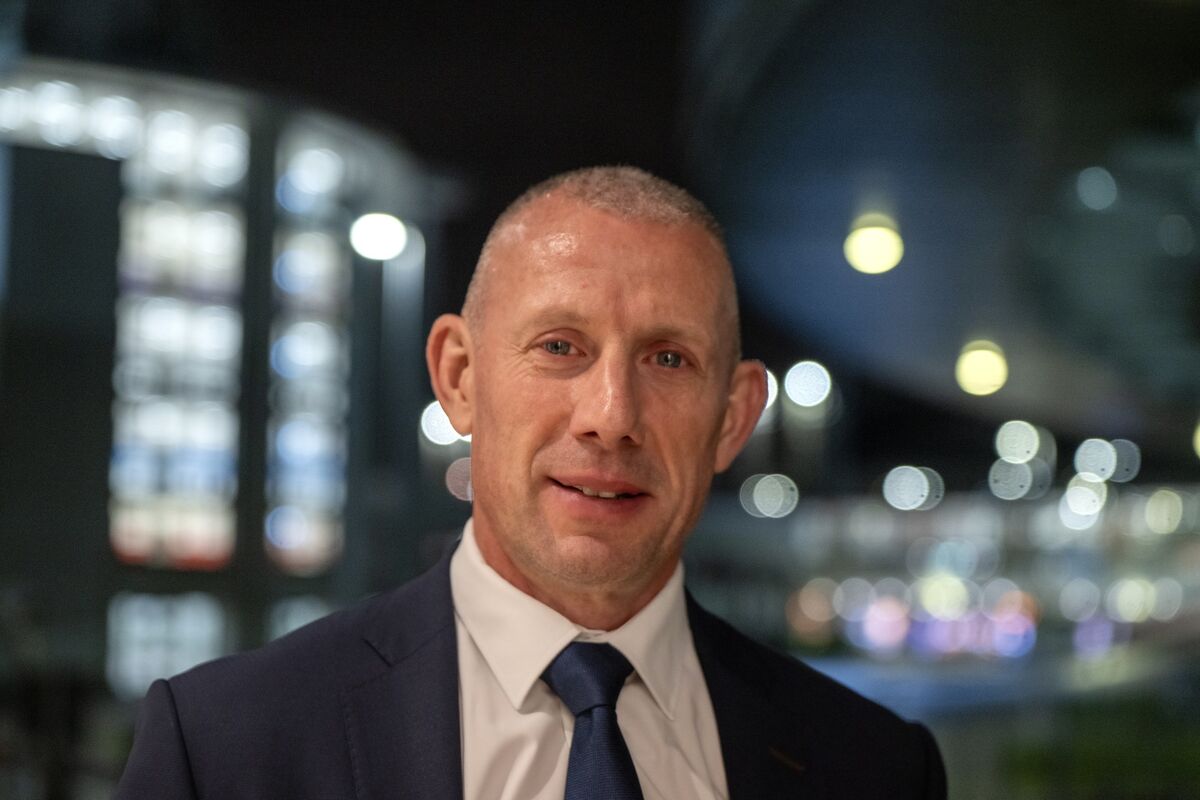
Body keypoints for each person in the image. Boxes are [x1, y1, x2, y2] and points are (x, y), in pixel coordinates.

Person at [114, 166, 947, 799]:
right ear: (460, 377)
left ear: (733, 416)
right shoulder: (226, 750)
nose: (611, 415)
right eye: (560, 347)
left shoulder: (875, 768)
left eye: (668, 359)